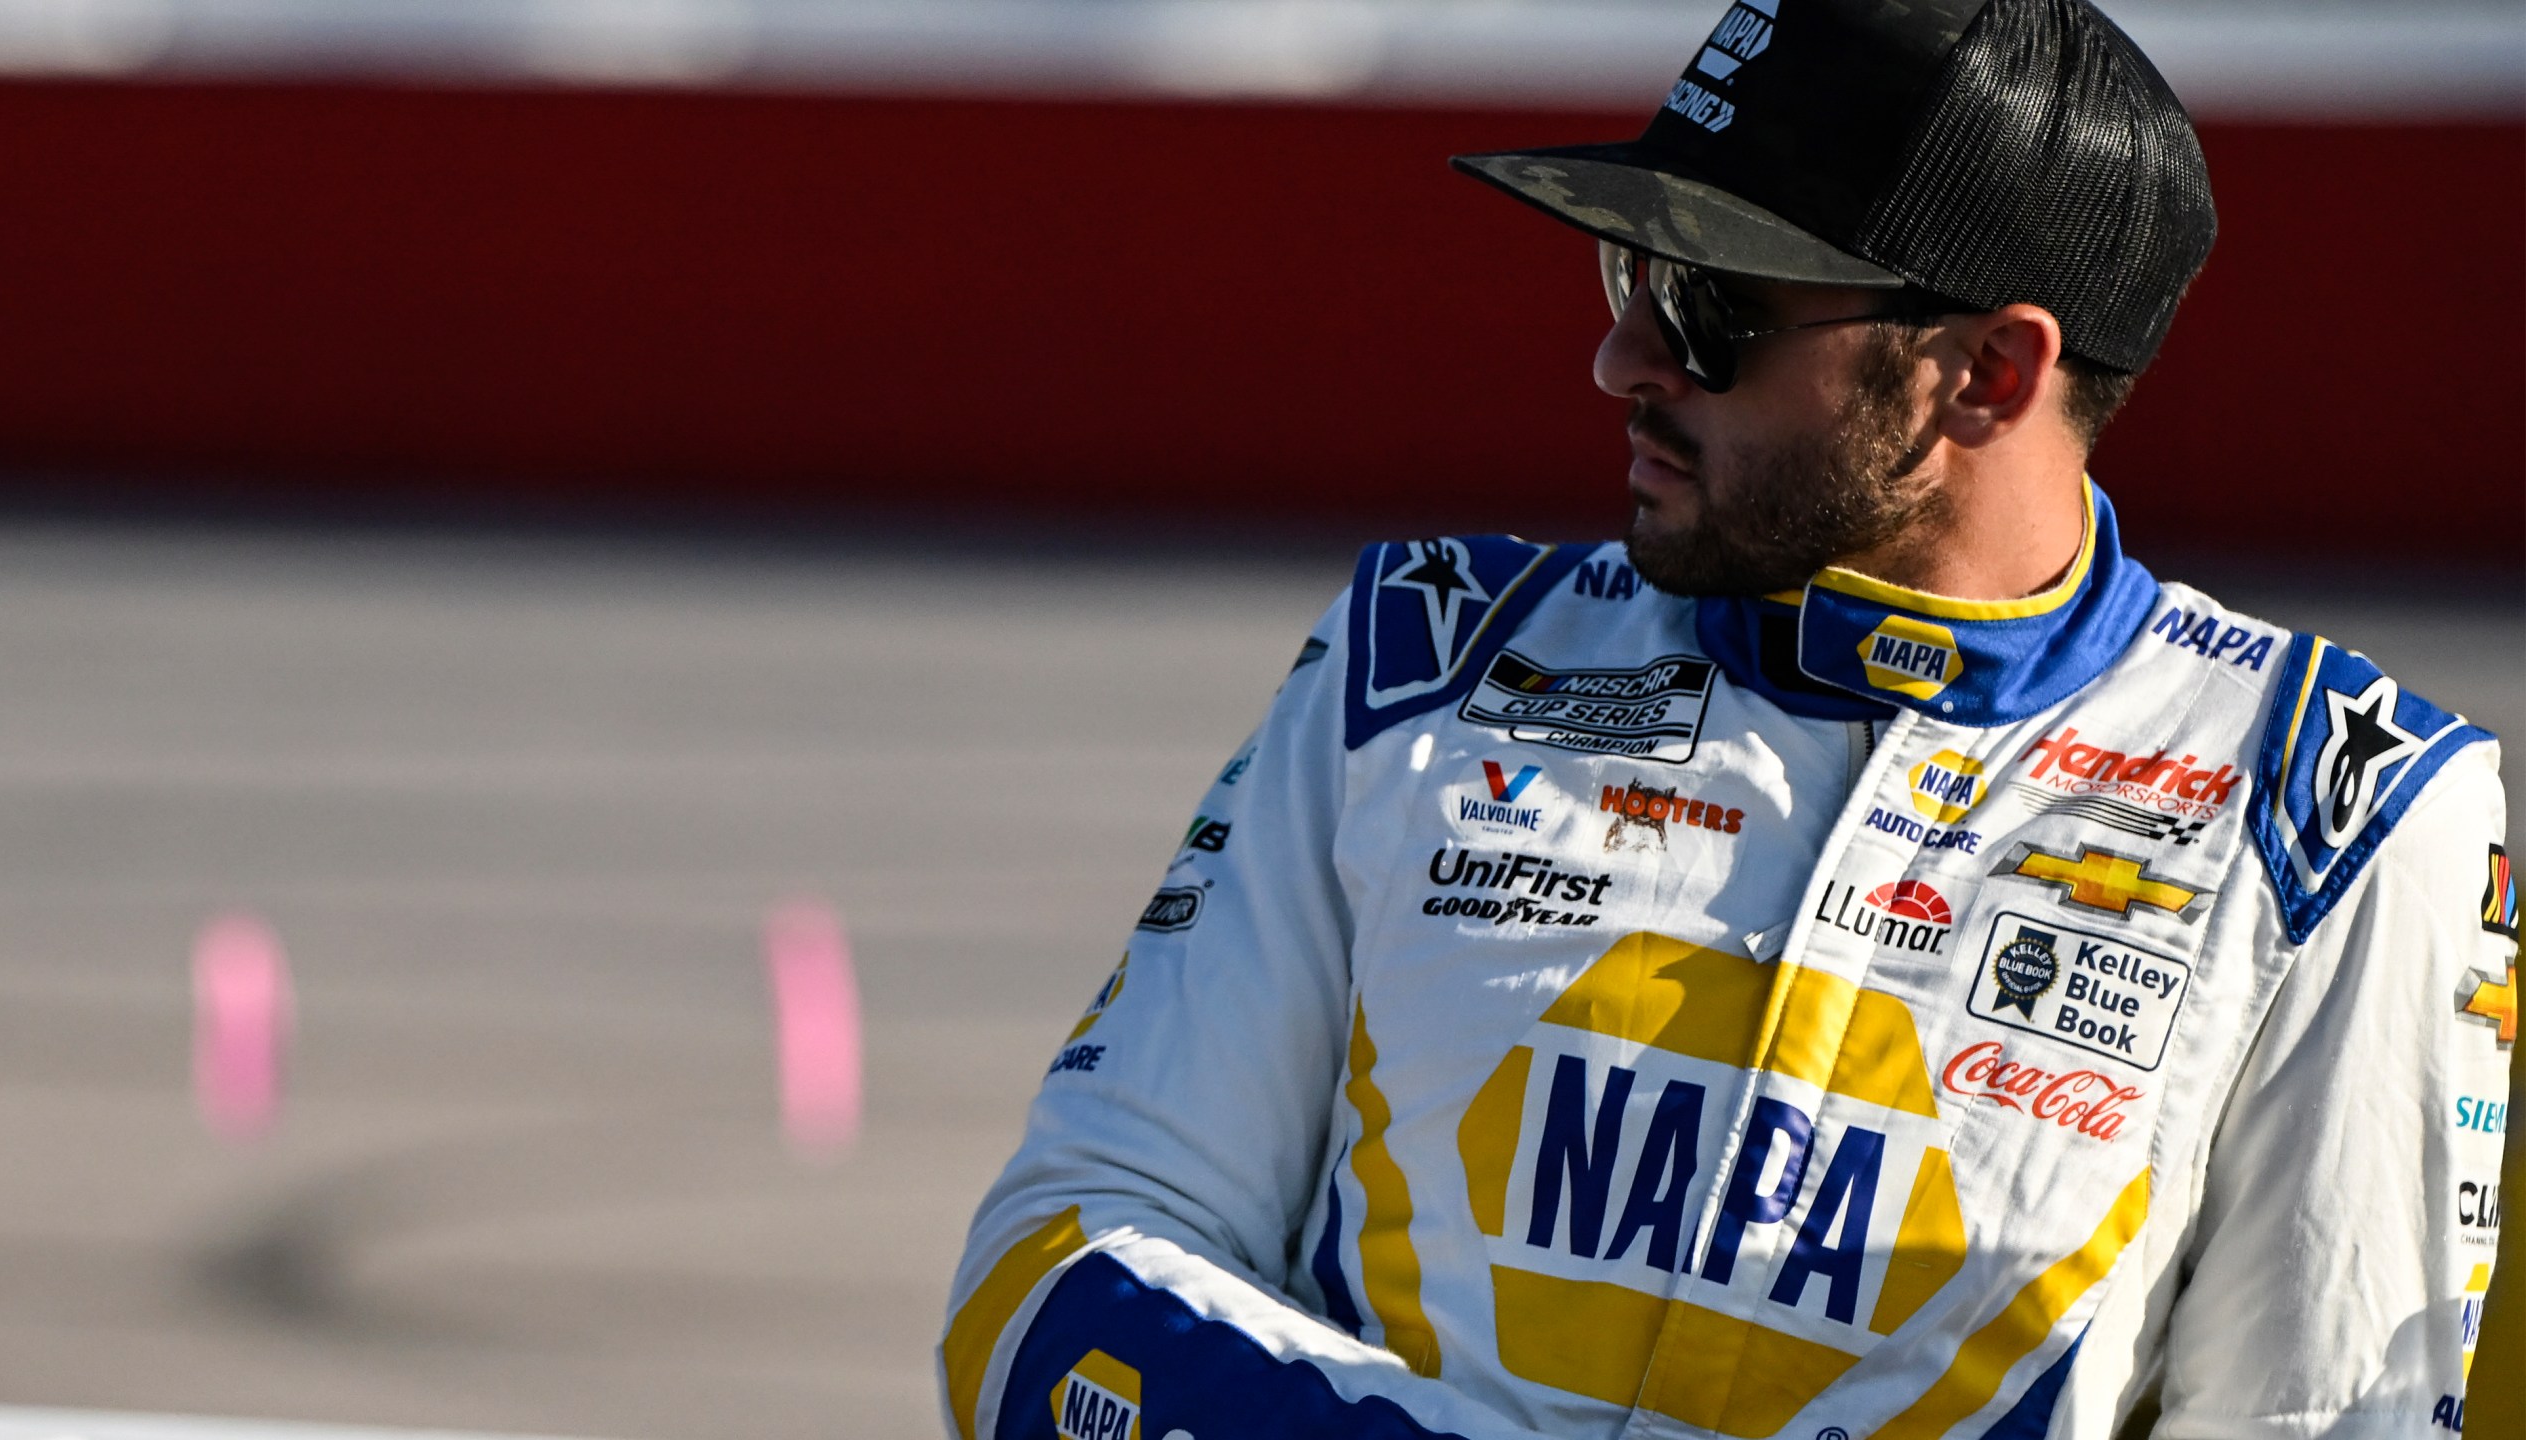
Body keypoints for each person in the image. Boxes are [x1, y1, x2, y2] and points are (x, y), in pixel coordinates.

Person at [939, 0, 2513, 1435]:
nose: (1621, 355)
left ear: (1986, 375)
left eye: (1709, 306)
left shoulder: (2337, 816)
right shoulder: (1420, 667)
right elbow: (1056, 1269)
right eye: (1627, 271)